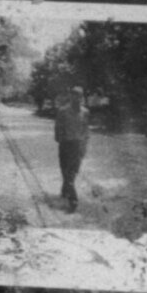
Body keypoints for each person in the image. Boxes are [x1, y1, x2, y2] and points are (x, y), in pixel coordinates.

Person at [53, 83, 89, 211]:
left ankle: (73, 200)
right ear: (70, 97)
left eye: (79, 96)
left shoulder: (85, 112)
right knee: (65, 170)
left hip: (78, 146)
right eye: (74, 96)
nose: (77, 99)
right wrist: (60, 139)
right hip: (65, 145)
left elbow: (86, 131)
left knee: (72, 173)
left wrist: (84, 147)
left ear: (82, 97)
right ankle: (65, 190)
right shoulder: (62, 111)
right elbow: (57, 128)